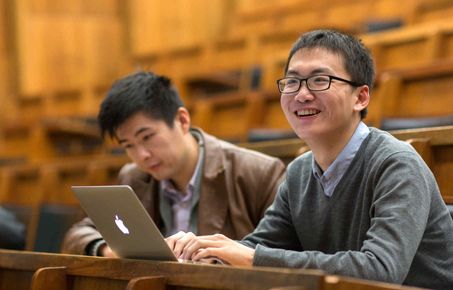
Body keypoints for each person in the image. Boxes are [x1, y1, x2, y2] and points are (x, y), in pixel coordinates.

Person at [165, 29, 453, 289]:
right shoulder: (299, 171)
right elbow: (260, 245)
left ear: (361, 97)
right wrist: (203, 251)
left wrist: (252, 257)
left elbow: (380, 269)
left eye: (319, 80)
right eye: (292, 82)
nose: (301, 95)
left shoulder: (397, 163)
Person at [61, 71, 286, 257]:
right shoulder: (134, 177)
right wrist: (108, 250)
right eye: (128, 145)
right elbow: (79, 233)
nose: (142, 156)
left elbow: (280, 254)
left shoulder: (258, 173)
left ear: (182, 120)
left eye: (147, 137)